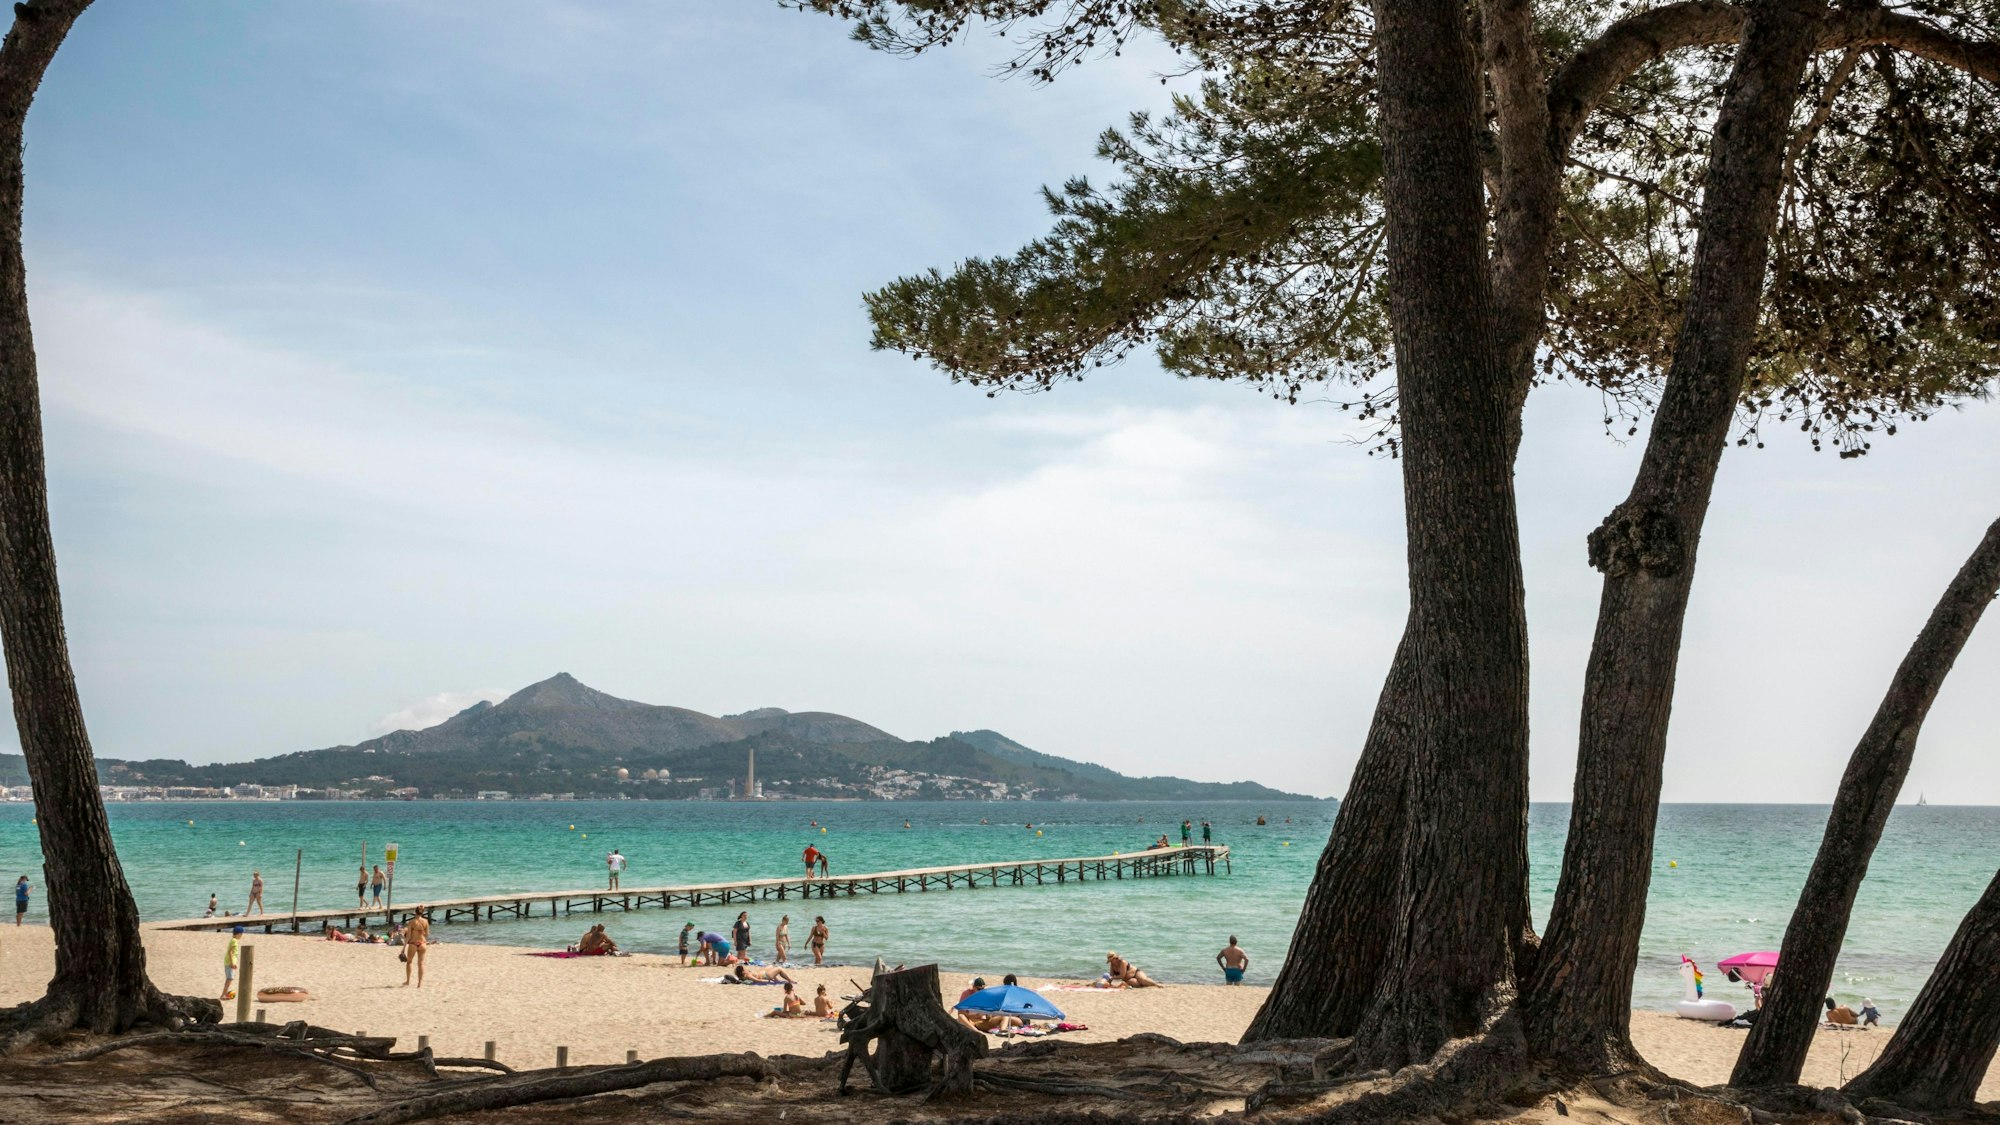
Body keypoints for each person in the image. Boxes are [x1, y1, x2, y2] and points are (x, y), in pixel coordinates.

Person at [403, 910, 430, 987]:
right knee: (421, 964)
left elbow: (408, 936)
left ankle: (408, 981)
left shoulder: (411, 922)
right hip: (422, 943)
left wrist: (404, 947)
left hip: (413, 944)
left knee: (409, 962)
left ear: (415, 913)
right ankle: (419, 983)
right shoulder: (426, 921)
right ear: (422, 913)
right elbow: (427, 934)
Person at [222, 925, 242, 1001]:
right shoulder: (234, 941)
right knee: (229, 979)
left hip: (228, 962)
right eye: (241, 934)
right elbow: (230, 952)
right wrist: (232, 963)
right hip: (229, 962)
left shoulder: (232, 940)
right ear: (239, 934)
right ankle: (223, 994)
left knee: (229, 978)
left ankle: (225, 993)